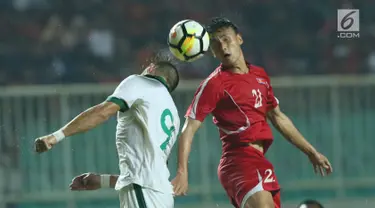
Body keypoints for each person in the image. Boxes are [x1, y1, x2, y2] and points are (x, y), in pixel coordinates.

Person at [171, 17, 333, 208]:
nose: (223, 47)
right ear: (212, 52)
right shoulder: (215, 84)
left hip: (259, 161)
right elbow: (189, 128)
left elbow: (278, 117)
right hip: (238, 161)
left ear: (239, 39)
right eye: (216, 43)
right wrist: (182, 171)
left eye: (226, 39)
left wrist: (311, 152)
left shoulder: (260, 75)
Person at [34, 54, 181, 208]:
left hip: (143, 192)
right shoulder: (173, 113)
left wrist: (56, 136)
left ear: (151, 68)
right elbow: (148, 169)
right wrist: (103, 180)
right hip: (160, 195)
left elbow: (102, 112)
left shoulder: (140, 82)